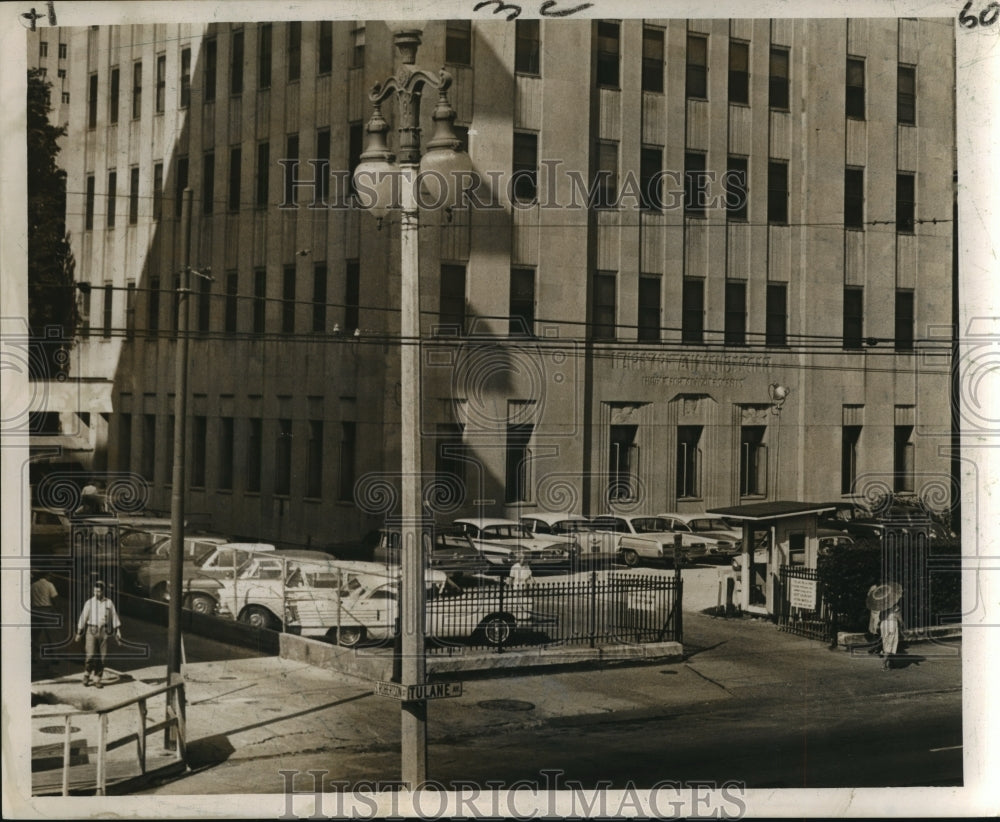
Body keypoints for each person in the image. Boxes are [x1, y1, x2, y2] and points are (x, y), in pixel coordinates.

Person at [74, 581, 122, 688]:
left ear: (103, 591)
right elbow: (83, 618)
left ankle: (97, 678)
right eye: (95, 591)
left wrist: (118, 631)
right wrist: (79, 632)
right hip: (91, 629)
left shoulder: (109, 603)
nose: (96, 593)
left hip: (103, 631)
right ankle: (87, 674)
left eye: (99, 591)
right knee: (90, 655)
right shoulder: (89, 603)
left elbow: (114, 617)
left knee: (102, 657)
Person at [30, 572, 60, 661]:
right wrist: (57, 610)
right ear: (46, 576)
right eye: (50, 576)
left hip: (35, 611)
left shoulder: (33, 585)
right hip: (46, 610)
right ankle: (54, 657)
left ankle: (33, 656)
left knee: (35, 635)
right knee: (51, 634)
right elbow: (54, 598)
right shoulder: (49, 585)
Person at [879, 603, 903, 671]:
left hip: (883, 625)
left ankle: (890, 663)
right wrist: (902, 624)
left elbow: (880, 617)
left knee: (886, 644)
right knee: (890, 645)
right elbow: (899, 618)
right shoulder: (896, 607)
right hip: (891, 626)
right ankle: (883, 665)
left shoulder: (882, 606)